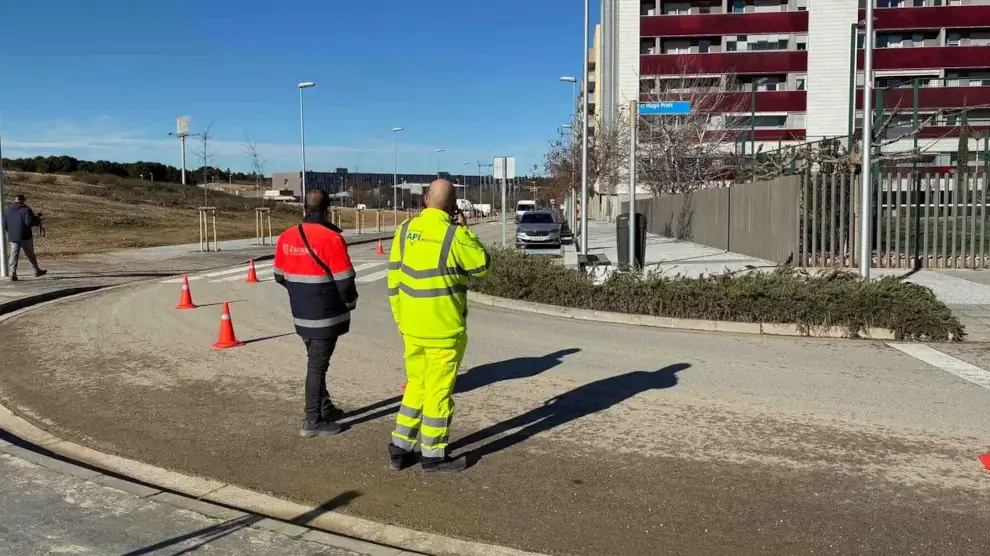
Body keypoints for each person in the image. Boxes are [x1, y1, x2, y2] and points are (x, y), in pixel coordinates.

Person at [386, 179, 491, 473]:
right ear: (453, 206)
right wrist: (465, 230)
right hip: (444, 331)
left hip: (412, 327)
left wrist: (401, 320)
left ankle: (400, 447)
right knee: (438, 392)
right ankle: (433, 455)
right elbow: (483, 266)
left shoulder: (405, 231)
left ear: (424, 202)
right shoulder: (454, 235)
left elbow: (394, 281)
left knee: (416, 386)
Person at [274, 189, 358, 438]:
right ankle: (313, 420)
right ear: (327, 210)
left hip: (301, 312)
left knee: (315, 360)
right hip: (327, 314)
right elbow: (344, 281)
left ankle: (324, 407)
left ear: (304, 208)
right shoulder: (332, 238)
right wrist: (351, 302)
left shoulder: (286, 236)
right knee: (317, 365)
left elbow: (279, 276)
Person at [3, 194, 47, 282]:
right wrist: (37, 219)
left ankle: (13, 273)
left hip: (13, 237)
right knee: (30, 254)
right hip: (25, 236)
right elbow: (29, 222)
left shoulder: (8, 210)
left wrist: (11, 232)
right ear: (23, 200)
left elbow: (5, 224)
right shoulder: (26, 209)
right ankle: (36, 270)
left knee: (14, 254)